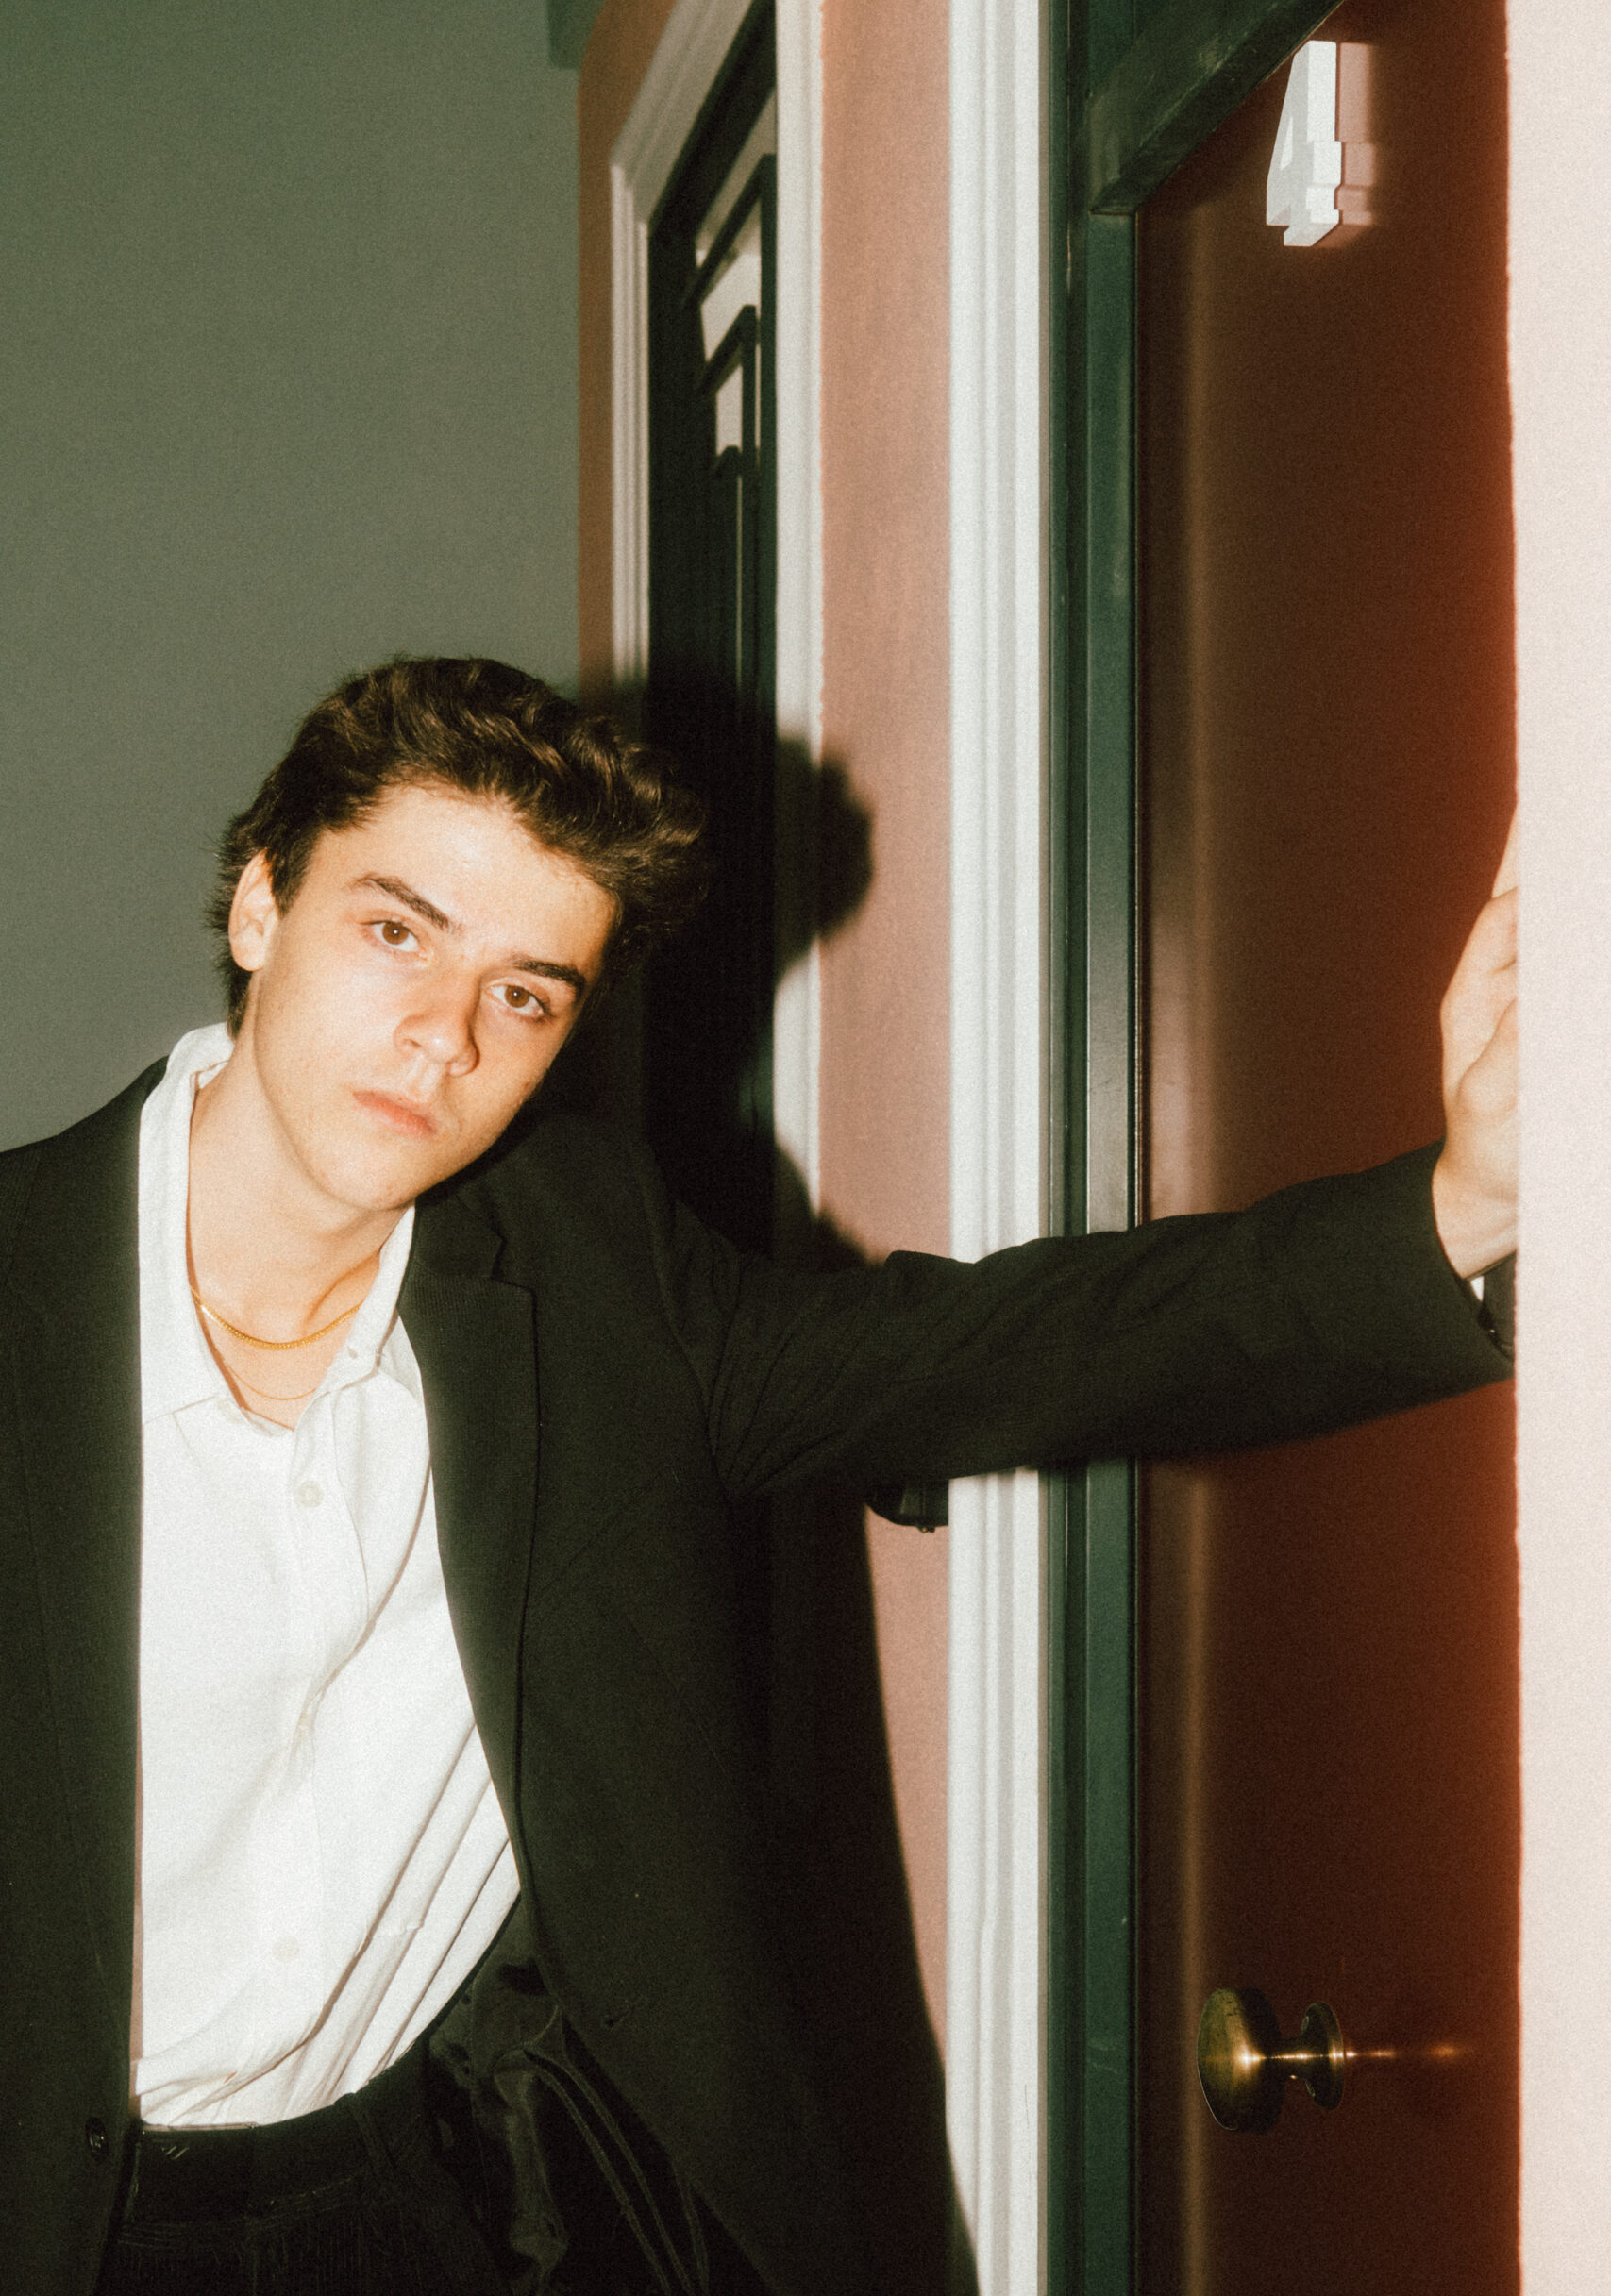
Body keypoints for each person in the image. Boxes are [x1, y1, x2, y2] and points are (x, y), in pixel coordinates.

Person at [0, 657, 1517, 2296]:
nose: (444, 1036)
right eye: (397, 932)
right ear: (259, 905)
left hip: (422, 2202)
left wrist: (1464, 1205)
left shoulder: (587, 1262)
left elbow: (1004, 1351)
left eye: (527, 994)